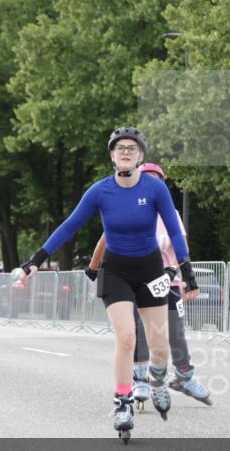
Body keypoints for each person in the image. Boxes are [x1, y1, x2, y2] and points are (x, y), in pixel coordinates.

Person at [19, 127, 200, 443]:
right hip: (115, 270)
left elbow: (173, 230)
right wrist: (36, 259)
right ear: (112, 156)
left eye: (132, 148)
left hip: (151, 271)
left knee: (159, 346)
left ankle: (157, 381)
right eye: (120, 148)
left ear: (140, 155)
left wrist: (187, 272)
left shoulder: (155, 189)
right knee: (127, 337)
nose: (126, 152)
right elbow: (69, 226)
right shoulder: (99, 191)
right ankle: (123, 401)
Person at [87, 162, 211, 410]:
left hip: (168, 279)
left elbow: (180, 246)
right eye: (147, 178)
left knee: (174, 331)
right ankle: (141, 378)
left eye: (157, 179)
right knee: (138, 331)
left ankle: (184, 376)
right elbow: (105, 239)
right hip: (136, 279)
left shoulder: (170, 212)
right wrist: (93, 267)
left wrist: (180, 273)